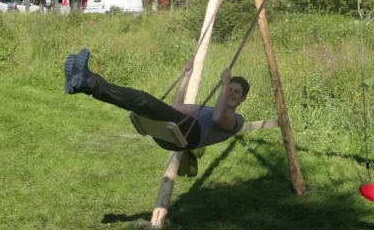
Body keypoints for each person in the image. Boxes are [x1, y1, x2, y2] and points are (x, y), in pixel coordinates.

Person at [63, 48, 250, 153]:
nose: (232, 93)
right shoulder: (210, 108)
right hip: (173, 134)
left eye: (236, 92)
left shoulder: (237, 120)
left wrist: (225, 84)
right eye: (230, 89)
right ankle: (82, 84)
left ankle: (88, 80)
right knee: (138, 102)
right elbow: (177, 107)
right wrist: (186, 76)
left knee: (142, 99)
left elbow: (218, 119)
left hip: (187, 136)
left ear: (243, 99)